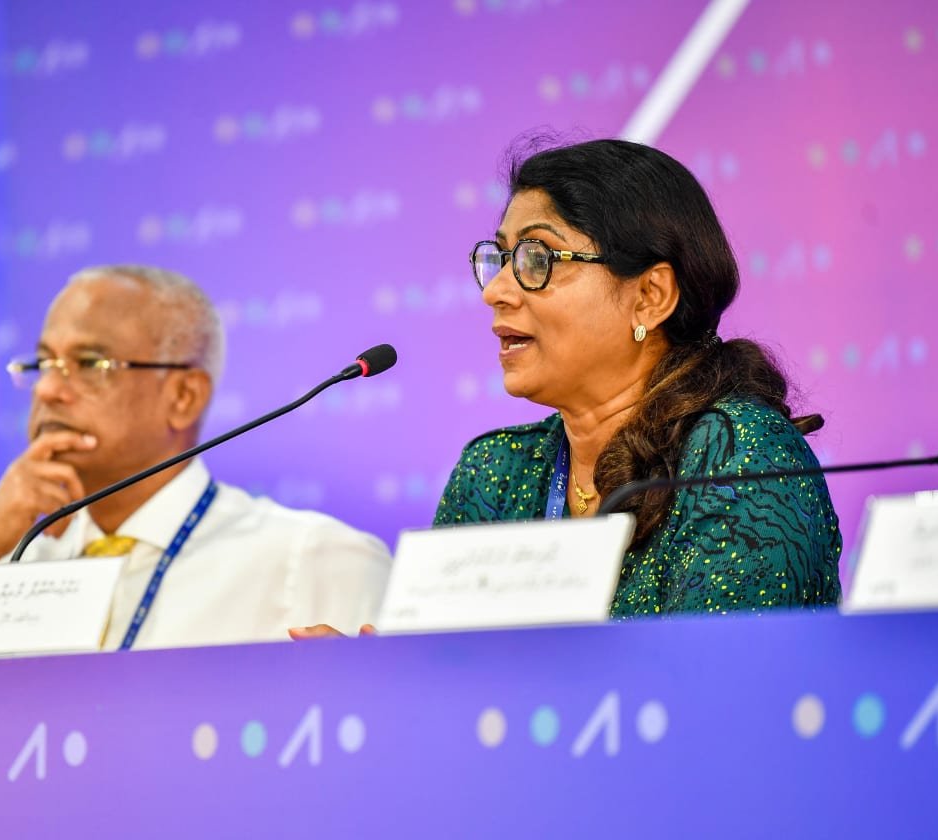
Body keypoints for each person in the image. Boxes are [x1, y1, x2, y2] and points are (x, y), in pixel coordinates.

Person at [291, 137, 840, 637]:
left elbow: (716, 692)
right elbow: (448, 685)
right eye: (500, 259)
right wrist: (383, 683)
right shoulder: (495, 473)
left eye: (537, 259)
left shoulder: (738, 455)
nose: (496, 291)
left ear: (650, 296)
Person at [0, 264, 390, 649]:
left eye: (90, 363)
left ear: (184, 396)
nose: (46, 389)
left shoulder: (315, 560)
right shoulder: (6, 567)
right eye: (43, 364)